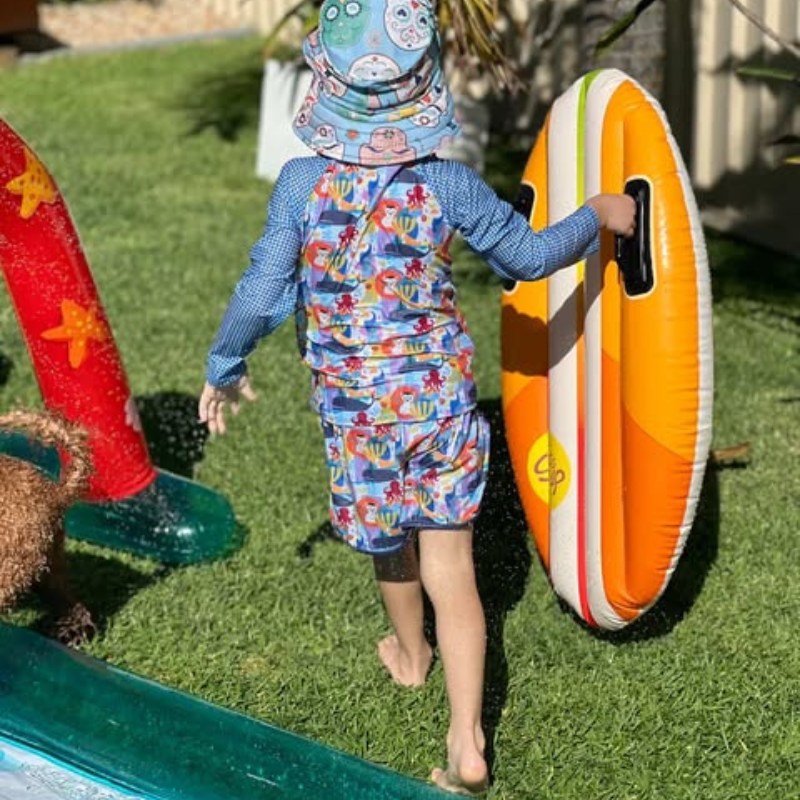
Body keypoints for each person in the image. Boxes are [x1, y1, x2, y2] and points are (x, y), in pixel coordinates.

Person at [198, 0, 636, 794]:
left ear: (328, 85)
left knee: (385, 540)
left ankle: (410, 654)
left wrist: (225, 363)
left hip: (357, 418)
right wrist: (599, 214)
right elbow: (530, 258)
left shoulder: (302, 185)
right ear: (425, 84)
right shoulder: (446, 185)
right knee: (452, 566)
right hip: (441, 409)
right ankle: (467, 738)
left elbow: (262, 289)